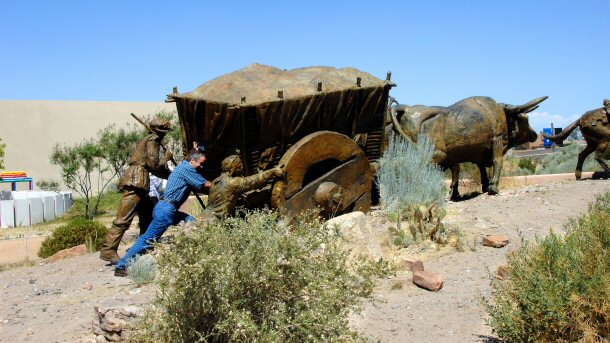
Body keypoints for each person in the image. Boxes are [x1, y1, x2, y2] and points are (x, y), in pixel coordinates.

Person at [114, 148, 211, 276]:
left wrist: (195, 148)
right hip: (167, 210)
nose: (202, 166)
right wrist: (222, 184)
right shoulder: (188, 169)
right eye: (201, 163)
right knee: (147, 240)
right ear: (192, 160)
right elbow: (206, 185)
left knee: (192, 222)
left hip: (168, 209)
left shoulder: (183, 166)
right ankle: (121, 266)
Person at [100, 118, 173, 265]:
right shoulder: (154, 139)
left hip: (140, 181)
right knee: (124, 218)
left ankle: (144, 246)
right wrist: (167, 158)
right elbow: (153, 165)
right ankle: (108, 250)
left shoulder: (147, 139)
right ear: (162, 131)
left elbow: (156, 169)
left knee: (147, 214)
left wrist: (171, 175)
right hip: (136, 181)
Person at [207, 154, 284, 219]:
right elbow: (254, 181)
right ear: (233, 168)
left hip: (205, 216)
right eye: (239, 166)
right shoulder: (232, 182)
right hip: (214, 221)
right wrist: (273, 171)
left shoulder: (215, 181)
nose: (241, 169)